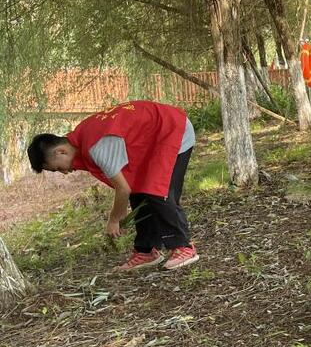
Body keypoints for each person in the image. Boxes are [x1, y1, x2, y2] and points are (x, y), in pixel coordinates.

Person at [27, 101, 200, 272]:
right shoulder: (82, 138)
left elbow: (123, 189)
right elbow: (129, 187)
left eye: (58, 168)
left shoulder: (97, 146)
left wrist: (114, 219)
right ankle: (146, 251)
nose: (64, 172)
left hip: (172, 129)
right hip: (152, 138)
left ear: (61, 152)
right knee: (140, 192)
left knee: (158, 191)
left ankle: (183, 247)